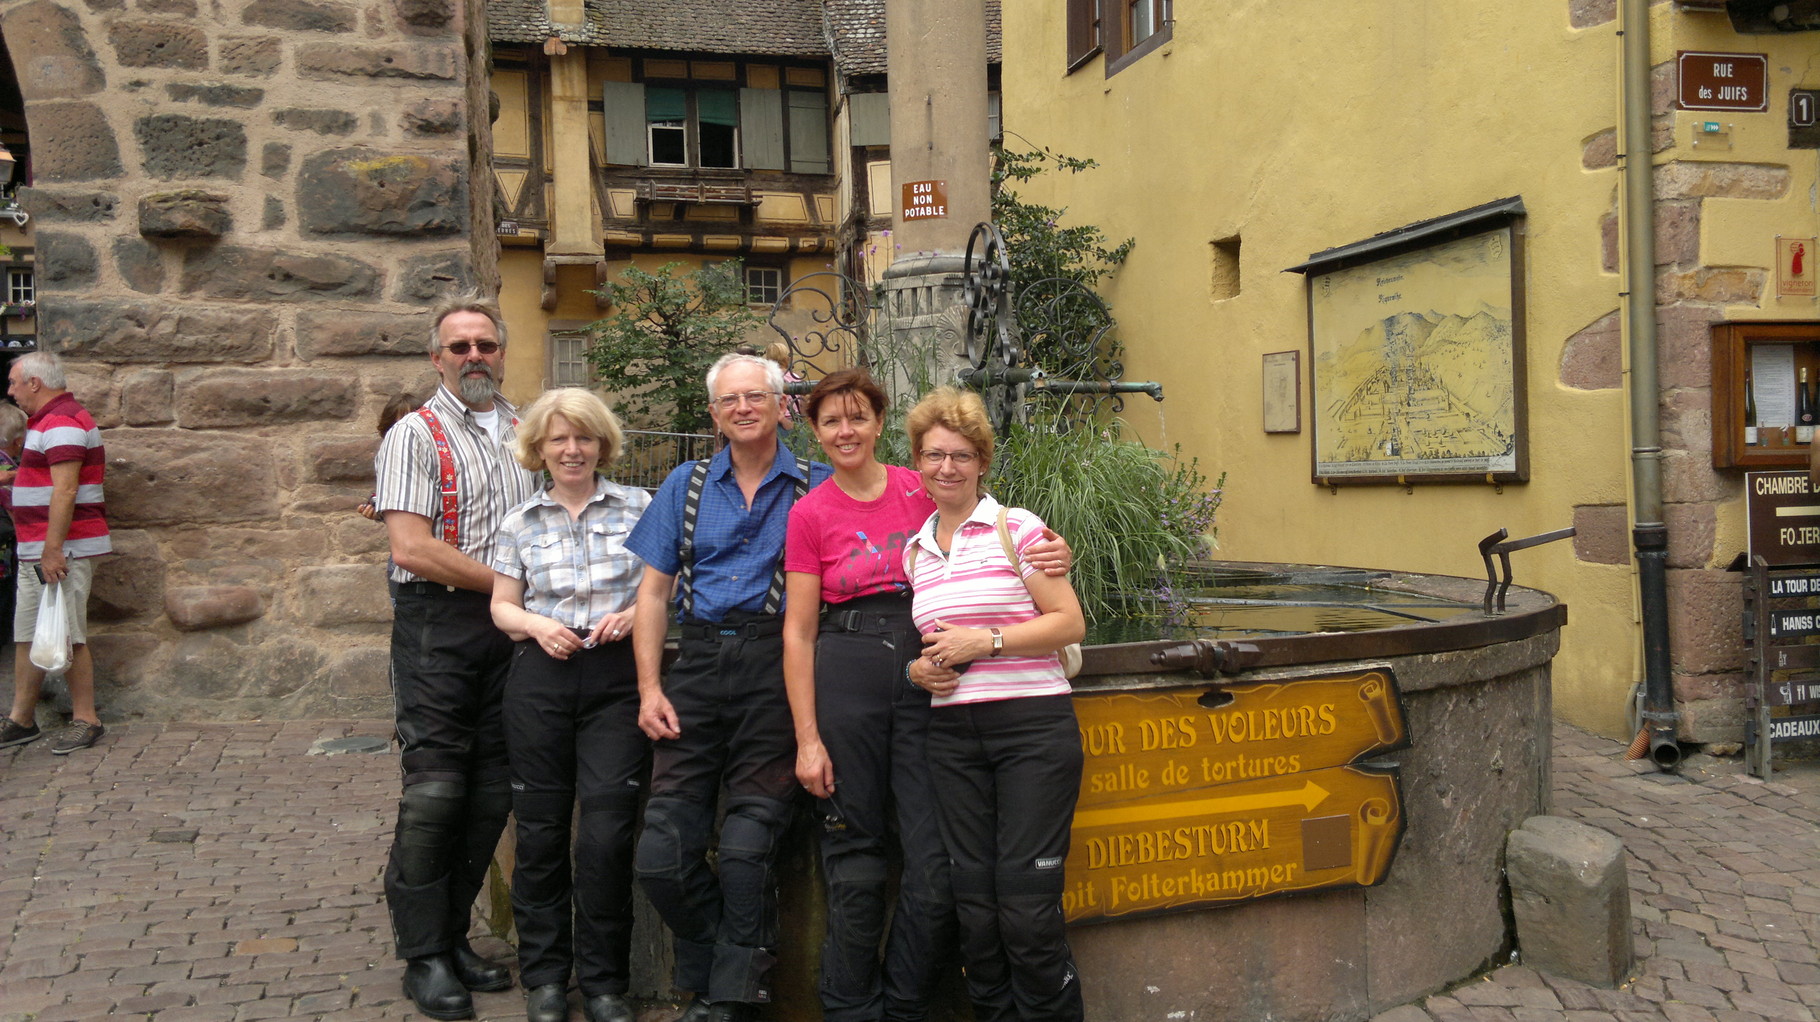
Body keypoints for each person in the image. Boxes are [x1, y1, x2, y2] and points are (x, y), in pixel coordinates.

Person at [625, 351, 831, 1022]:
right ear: (714, 414)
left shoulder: (820, 485)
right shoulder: (683, 485)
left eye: (756, 396)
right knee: (662, 852)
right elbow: (653, 596)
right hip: (700, 666)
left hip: (778, 668)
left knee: (748, 845)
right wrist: (651, 687)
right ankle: (725, 968)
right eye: (730, 400)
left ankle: (729, 999)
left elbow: (903, 520)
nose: (743, 408)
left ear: (781, 406)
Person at [373, 294, 538, 1021]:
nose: (475, 356)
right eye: (460, 346)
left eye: (486, 345)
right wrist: (508, 587)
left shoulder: (528, 429)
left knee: (492, 790)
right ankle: (424, 956)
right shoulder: (414, 433)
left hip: (512, 631)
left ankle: (452, 934)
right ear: (437, 358)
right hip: (440, 623)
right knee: (436, 789)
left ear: (502, 352)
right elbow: (410, 546)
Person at [904, 387, 1089, 1022]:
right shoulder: (916, 551)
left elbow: (1069, 623)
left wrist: (989, 640)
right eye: (934, 455)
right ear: (918, 462)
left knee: (1027, 906)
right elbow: (926, 648)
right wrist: (919, 669)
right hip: (953, 737)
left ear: (982, 461)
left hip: (1032, 731)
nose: (946, 468)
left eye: (960, 455)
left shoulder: (1020, 528)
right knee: (975, 911)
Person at [490, 388, 649, 1022]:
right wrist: (534, 625)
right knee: (541, 833)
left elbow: (666, 591)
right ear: (540, 449)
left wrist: (635, 616)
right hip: (542, 680)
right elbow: (501, 605)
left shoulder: (640, 507)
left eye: (582, 437)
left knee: (608, 835)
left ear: (601, 444)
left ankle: (606, 980)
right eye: (558, 439)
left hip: (616, 680)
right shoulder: (519, 521)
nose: (572, 449)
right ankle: (547, 978)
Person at [0, 353, 111, 754]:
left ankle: (87, 718)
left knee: (68, 633)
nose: (10, 391)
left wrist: (52, 550)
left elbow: (65, 490)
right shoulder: (49, 421)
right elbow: (51, 478)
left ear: (34, 382)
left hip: (64, 547)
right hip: (43, 546)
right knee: (29, 632)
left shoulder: (61, 421)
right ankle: (21, 719)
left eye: (13, 382)